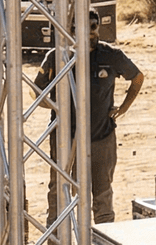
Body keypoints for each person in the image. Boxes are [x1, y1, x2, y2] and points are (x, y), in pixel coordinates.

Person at [37, 40, 147, 224]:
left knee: (102, 190)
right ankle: (57, 243)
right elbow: (36, 93)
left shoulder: (111, 55)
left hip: (101, 136)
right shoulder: (56, 56)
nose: (89, 32)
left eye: (94, 27)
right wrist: (58, 107)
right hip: (64, 137)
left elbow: (137, 77)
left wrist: (124, 107)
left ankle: (104, 243)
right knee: (59, 189)